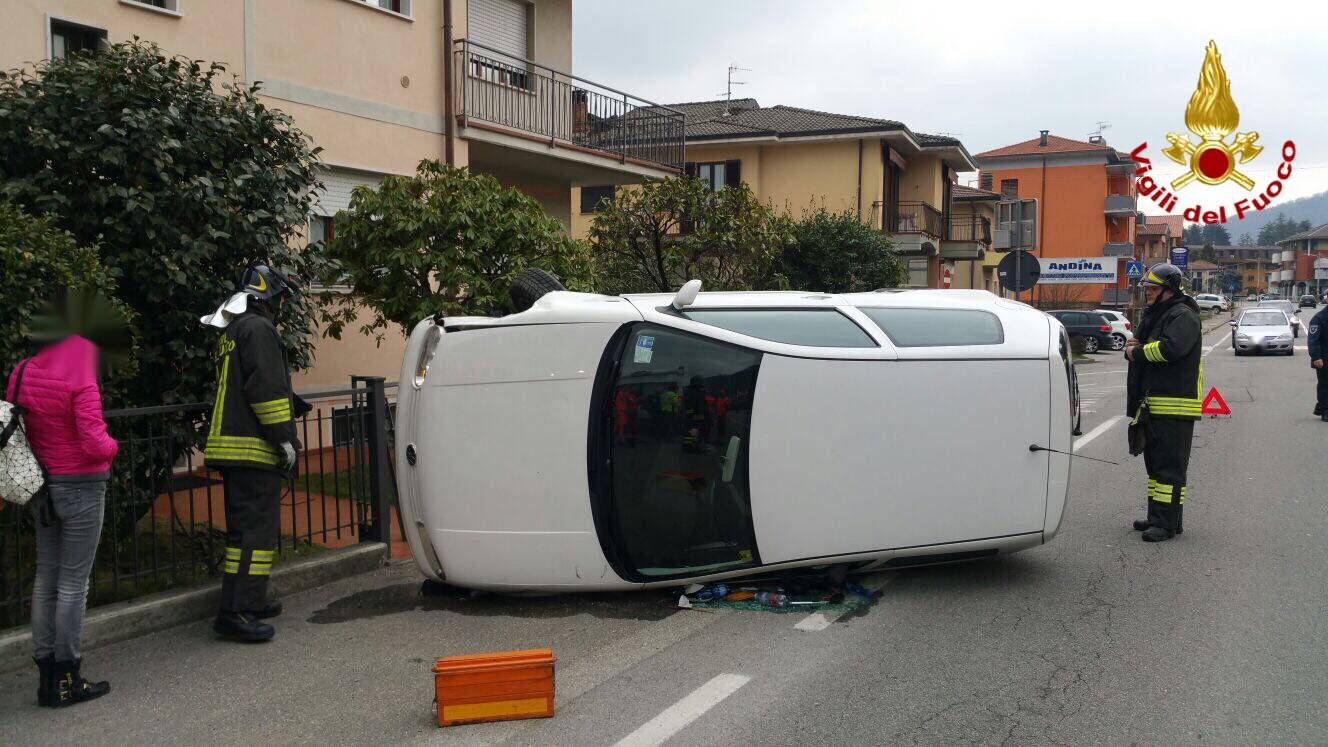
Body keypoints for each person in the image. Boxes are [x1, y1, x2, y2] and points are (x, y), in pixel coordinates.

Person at [8, 335, 118, 707]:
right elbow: (93, 442)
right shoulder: (79, 374)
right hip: (82, 486)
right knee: (74, 583)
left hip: (41, 486)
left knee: (46, 577)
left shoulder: (22, 371)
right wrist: (112, 447)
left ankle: (46, 677)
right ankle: (67, 677)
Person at [203, 265, 305, 642]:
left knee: (243, 534)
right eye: (280, 298)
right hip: (252, 448)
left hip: (233, 445)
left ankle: (248, 599)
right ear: (269, 297)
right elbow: (263, 387)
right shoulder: (260, 329)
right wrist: (284, 439)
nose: (280, 305)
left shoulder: (234, 328)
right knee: (254, 535)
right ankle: (236, 613)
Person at [1124, 263, 1203, 542]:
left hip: (1174, 406)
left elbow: (1170, 349)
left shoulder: (1183, 315)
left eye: (1153, 289)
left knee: (1169, 468)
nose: (1147, 293)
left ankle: (1166, 524)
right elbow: (1150, 342)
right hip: (1156, 405)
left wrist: (1137, 351)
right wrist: (1137, 341)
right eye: (1146, 288)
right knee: (1156, 467)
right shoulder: (1161, 314)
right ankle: (1160, 516)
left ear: (1168, 291)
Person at [1308, 303, 1328, 420]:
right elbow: (1313, 340)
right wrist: (1316, 357)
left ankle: (1320, 407)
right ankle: (1325, 410)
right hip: (1324, 358)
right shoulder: (1319, 318)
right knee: (1325, 385)